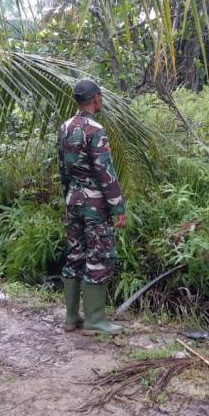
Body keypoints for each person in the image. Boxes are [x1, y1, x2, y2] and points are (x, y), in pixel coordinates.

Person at [58, 79, 127, 335]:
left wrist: (69, 197)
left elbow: (62, 168)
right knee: (100, 256)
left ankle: (71, 318)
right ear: (96, 98)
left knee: (75, 254)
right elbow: (105, 173)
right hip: (95, 204)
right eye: (101, 97)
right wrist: (118, 207)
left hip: (73, 199)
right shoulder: (95, 130)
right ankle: (94, 320)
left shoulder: (65, 127)